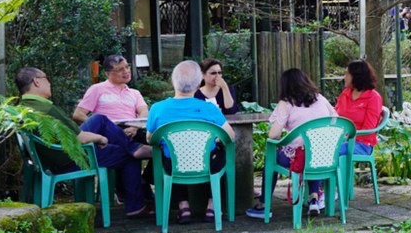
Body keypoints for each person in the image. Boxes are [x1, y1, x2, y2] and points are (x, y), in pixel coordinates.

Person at [15, 67, 151, 218]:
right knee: (127, 154)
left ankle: (134, 149)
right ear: (36, 82)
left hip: (50, 158)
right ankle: (135, 206)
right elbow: (80, 138)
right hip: (70, 158)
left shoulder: (21, 108)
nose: (49, 83)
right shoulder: (47, 109)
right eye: (46, 78)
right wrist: (100, 138)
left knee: (99, 119)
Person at [146, 60, 235, 223]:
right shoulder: (209, 108)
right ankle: (212, 208)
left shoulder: (157, 108)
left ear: (173, 81)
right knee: (221, 153)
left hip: (173, 165)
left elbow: (150, 139)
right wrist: (213, 138)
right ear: (198, 83)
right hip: (207, 164)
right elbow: (230, 136)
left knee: (172, 156)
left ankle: (183, 207)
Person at [246, 68, 335, 218]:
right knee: (313, 152)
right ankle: (314, 198)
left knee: (272, 156)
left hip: (298, 159)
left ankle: (264, 205)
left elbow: (274, 135)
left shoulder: (286, 103)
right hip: (324, 157)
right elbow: (336, 120)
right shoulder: (320, 99)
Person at [74, 54, 149, 144]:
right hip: (107, 133)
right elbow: (78, 114)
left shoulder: (135, 93)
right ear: (108, 73)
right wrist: (103, 127)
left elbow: (144, 112)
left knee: (159, 143)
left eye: (127, 67)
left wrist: (135, 128)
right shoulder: (97, 89)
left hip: (132, 130)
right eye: (120, 70)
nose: (126, 71)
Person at [335, 59, 383, 157]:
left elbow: (369, 129)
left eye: (347, 74)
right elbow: (335, 117)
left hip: (362, 144)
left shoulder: (373, 97)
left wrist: (347, 137)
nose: (344, 77)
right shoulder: (345, 93)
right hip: (340, 139)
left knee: (330, 150)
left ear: (357, 76)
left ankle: (337, 172)